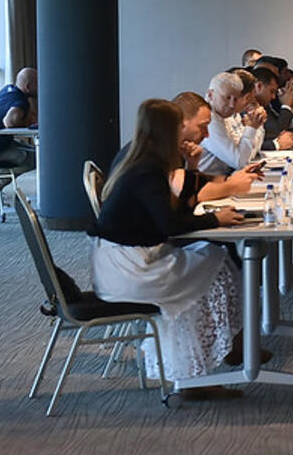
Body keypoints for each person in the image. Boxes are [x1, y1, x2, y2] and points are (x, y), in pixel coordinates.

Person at [89, 99, 247, 396]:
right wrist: (216, 219)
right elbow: (170, 224)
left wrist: (191, 166)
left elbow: (173, 211)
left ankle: (204, 366)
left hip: (127, 258)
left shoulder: (144, 161)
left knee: (211, 259)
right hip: (130, 269)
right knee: (212, 264)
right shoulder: (147, 171)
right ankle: (196, 375)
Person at [197, 71, 264, 176]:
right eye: (227, 98)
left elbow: (246, 154)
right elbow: (239, 161)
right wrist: (251, 128)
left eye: (235, 99)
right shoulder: (209, 119)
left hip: (223, 178)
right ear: (210, 94)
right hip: (206, 182)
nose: (232, 105)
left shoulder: (225, 115)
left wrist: (255, 126)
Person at [250, 67, 293, 151]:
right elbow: (276, 132)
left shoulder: (264, 105)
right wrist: (286, 105)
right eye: (271, 91)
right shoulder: (248, 106)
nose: (273, 97)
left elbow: (277, 129)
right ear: (259, 86)